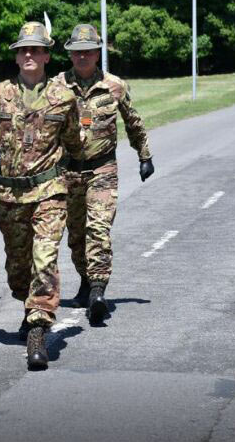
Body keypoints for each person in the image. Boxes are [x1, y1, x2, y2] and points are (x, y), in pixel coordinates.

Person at [0, 21, 83, 370]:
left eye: (35, 49)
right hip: (10, 194)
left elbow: (72, 142)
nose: (28, 54)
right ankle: (29, 303)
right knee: (18, 268)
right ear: (16, 56)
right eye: (23, 49)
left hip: (50, 191)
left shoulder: (64, 98)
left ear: (47, 56)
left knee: (45, 258)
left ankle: (39, 328)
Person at [55, 24, 154, 321]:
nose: (82, 57)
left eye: (87, 52)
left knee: (98, 228)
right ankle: (85, 283)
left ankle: (98, 289)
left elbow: (133, 121)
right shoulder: (57, 86)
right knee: (75, 237)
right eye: (76, 53)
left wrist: (144, 155)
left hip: (102, 168)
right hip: (67, 172)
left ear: (97, 53)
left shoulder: (115, 85)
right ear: (70, 56)